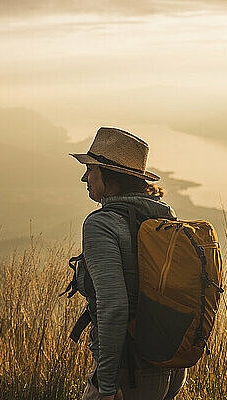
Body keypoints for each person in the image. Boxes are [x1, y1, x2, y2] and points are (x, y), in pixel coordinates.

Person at [69, 127, 187, 400]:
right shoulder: (165, 219)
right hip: (170, 369)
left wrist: (107, 386)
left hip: (128, 373)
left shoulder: (101, 224)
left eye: (91, 170)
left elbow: (113, 307)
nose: (84, 177)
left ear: (110, 176)